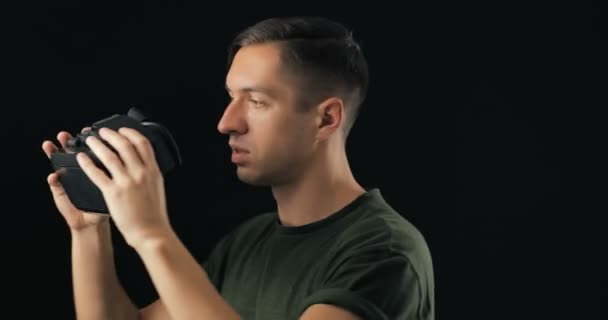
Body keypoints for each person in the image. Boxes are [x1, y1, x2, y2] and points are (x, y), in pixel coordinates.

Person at [42, 16, 435, 320]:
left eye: (257, 101)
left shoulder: (384, 252)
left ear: (327, 119)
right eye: (231, 97)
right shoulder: (248, 242)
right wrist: (89, 229)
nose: (227, 122)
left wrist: (151, 234)